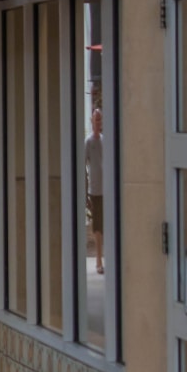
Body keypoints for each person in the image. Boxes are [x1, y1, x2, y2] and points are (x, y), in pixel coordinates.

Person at [84, 108, 105, 275]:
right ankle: (98, 260)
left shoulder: (105, 141)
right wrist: (85, 194)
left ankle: (106, 258)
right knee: (97, 227)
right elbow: (83, 166)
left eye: (100, 120)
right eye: (95, 119)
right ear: (92, 121)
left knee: (106, 226)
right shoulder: (88, 142)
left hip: (107, 190)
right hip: (95, 190)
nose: (98, 123)